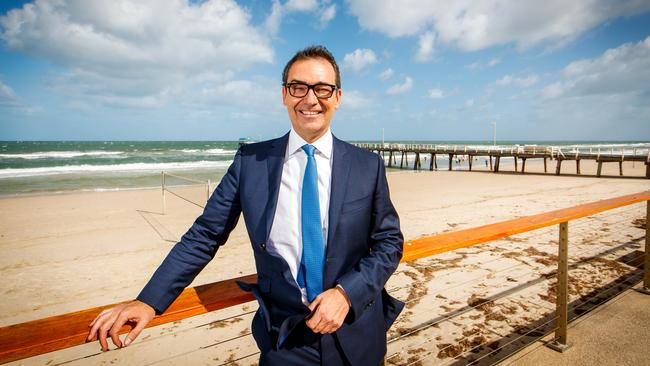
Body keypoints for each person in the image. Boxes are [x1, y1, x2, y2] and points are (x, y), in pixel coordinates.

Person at [87, 45, 404, 366]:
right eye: (298, 87)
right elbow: (205, 235)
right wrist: (148, 301)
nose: (310, 99)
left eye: (322, 88)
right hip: (285, 340)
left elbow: (389, 243)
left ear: (337, 97)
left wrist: (346, 293)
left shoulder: (368, 165)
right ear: (284, 95)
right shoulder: (251, 163)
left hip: (356, 333)